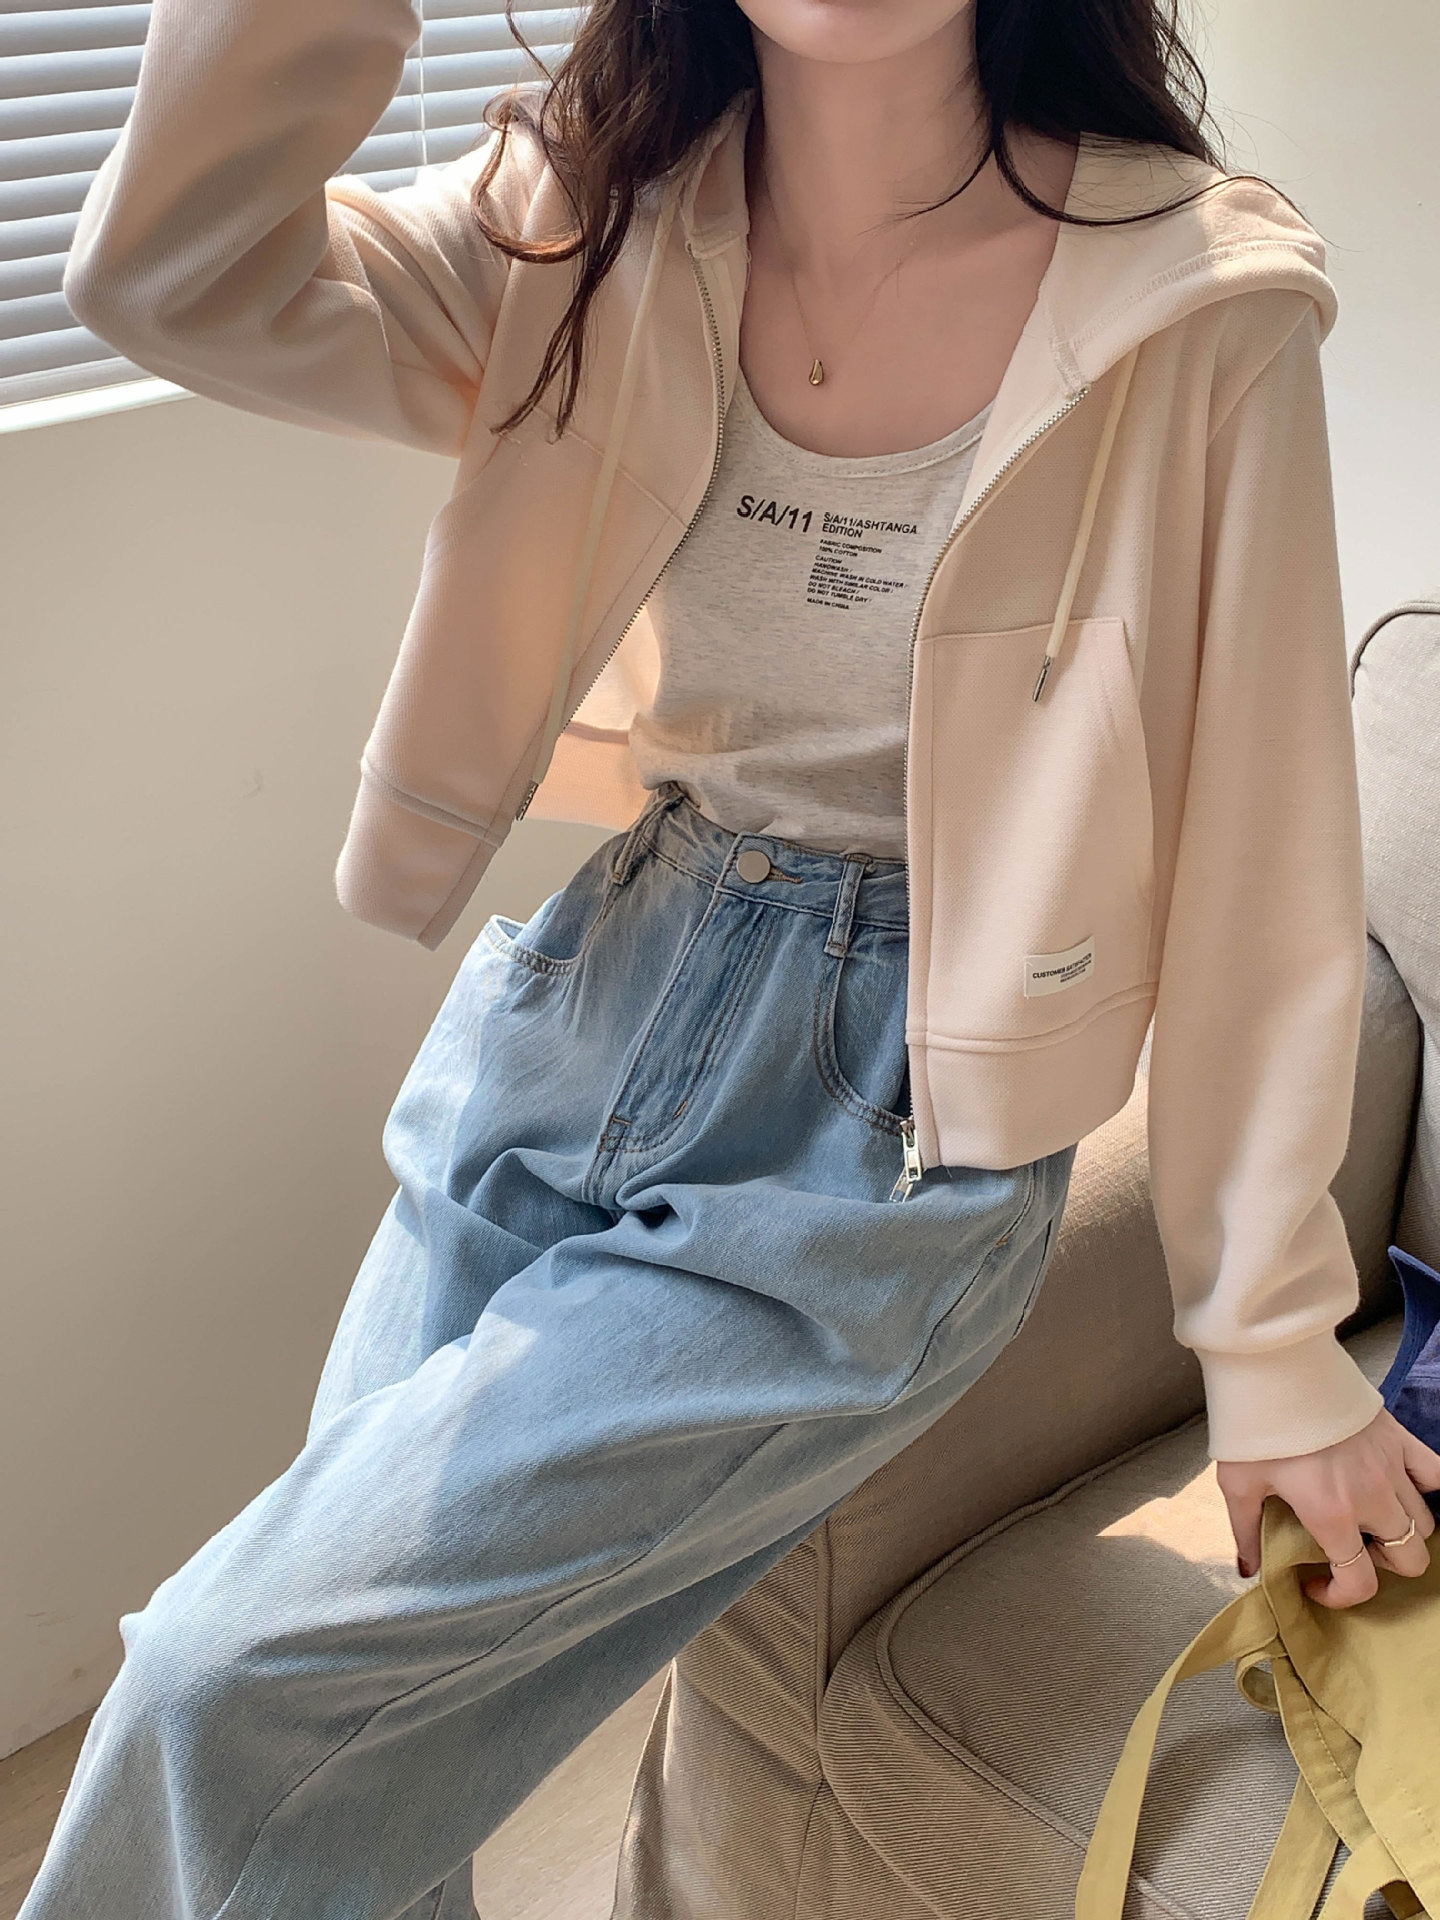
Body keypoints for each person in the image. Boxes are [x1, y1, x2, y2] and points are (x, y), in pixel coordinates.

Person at [30, 0, 1440, 1915]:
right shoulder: (593, 211)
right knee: (365, 1771)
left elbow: (1268, 832)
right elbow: (175, 283)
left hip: (881, 1140)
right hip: (593, 998)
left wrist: (1270, 1343)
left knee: (224, 1687)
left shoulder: (1194, 302)